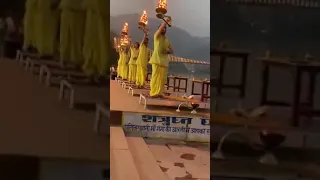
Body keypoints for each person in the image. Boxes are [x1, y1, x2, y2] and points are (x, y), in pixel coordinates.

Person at [149, 21, 173, 97]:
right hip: (156, 60)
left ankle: (159, 92)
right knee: (155, 77)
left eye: (165, 29)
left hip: (164, 61)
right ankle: (153, 92)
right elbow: (159, 30)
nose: (164, 29)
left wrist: (168, 51)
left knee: (162, 79)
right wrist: (165, 22)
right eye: (162, 28)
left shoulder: (167, 40)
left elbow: (172, 51)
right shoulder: (156, 36)